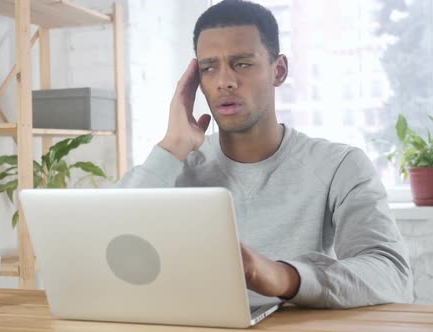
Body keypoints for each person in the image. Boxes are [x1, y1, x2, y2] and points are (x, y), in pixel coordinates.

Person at [118, 0, 413, 308]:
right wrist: (172, 145)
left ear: (279, 70)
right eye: (208, 69)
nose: (224, 82)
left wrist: (283, 276)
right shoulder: (174, 167)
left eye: (242, 63)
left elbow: (392, 275)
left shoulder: (339, 165)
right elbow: (108, 246)